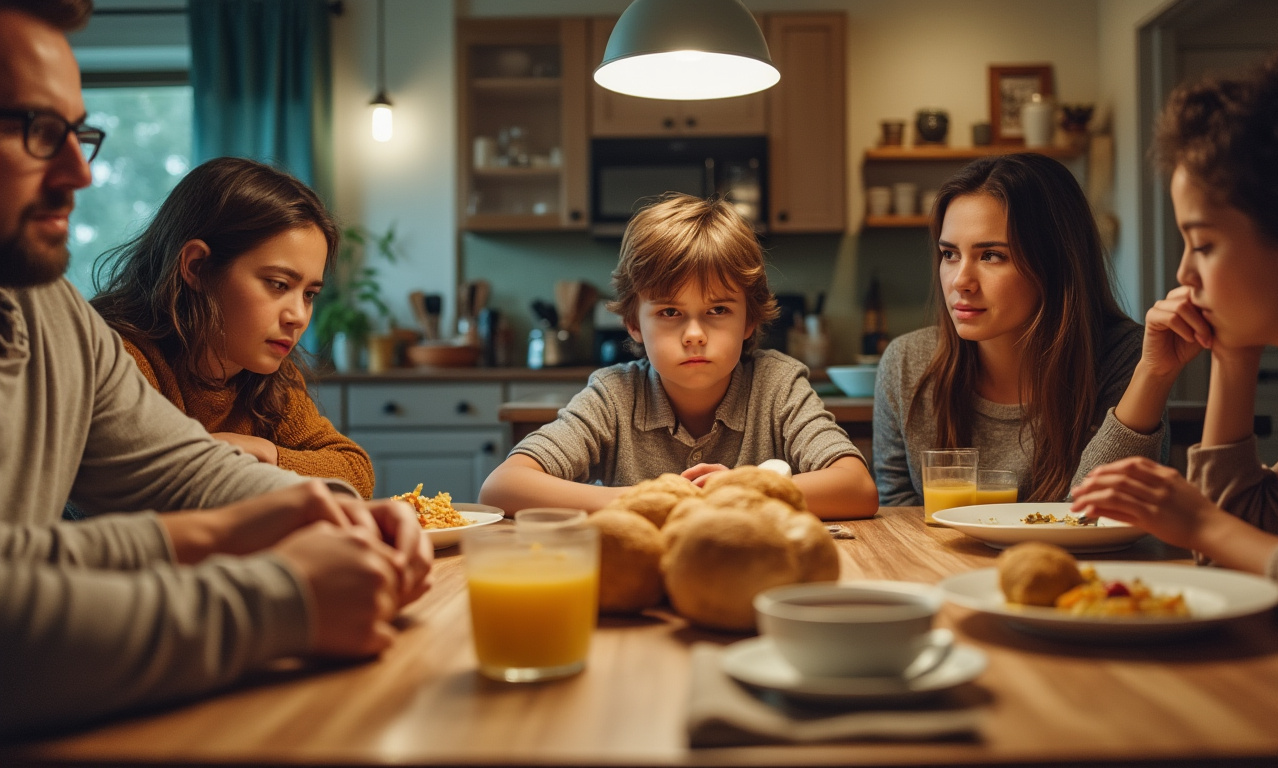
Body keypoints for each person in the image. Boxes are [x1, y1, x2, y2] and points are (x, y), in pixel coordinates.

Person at [0, 0, 430, 737]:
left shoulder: (53, 315)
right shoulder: (124, 343)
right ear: (198, 269)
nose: (80, 173)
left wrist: (326, 513)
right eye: (37, 131)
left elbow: (183, 472)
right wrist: (284, 597)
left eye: (79, 134)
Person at [1072, 40, 1278, 640]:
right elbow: (1246, 542)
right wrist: (1234, 353)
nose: (1183, 277)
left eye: (1204, 245)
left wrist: (1195, 521)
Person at [479, 194, 877, 521]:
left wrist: (745, 488)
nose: (694, 335)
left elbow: (857, 488)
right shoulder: (614, 395)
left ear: (749, 320)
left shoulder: (777, 384)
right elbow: (502, 486)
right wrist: (650, 500)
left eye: (718, 311)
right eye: (670, 313)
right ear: (634, 323)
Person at [873, 153, 1166, 506]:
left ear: (1055, 263)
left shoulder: (1127, 359)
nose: (960, 281)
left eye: (991, 255)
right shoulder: (908, 363)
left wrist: (1151, 375)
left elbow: (1096, 515)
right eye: (950, 254)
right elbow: (901, 520)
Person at [90, 157, 375, 498]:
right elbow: (135, 497)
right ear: (197, 267)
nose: (298, 316)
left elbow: (355, 472)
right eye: (278, 284)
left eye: (310, 293)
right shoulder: (118, 358)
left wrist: (266, 453)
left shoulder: (270, 378)